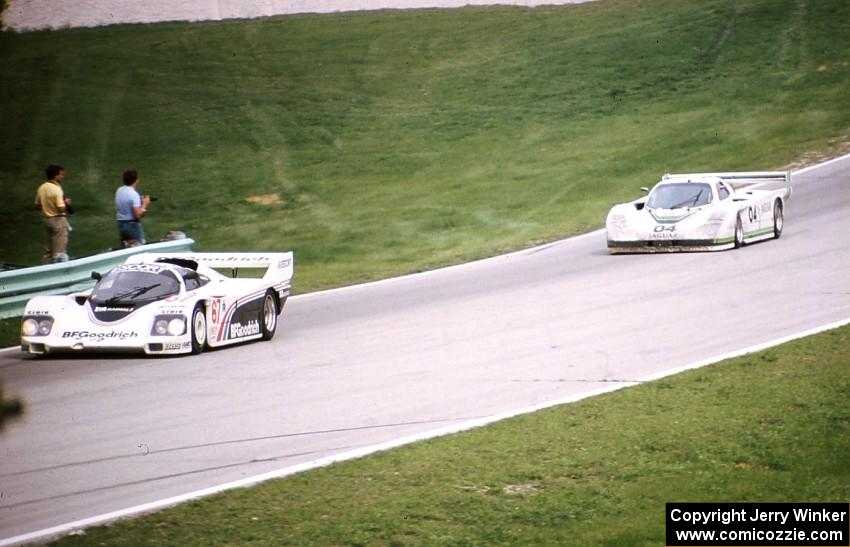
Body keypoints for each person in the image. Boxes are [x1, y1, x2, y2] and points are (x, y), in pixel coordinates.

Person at [34, 164, 72, 263]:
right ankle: (58, 270)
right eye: (61, 175)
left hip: (47, 220)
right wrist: (65, 203)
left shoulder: (42, 187)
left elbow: (37, 206)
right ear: (55, 176)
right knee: (59, 251)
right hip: (58, 221)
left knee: (48, 251)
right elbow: (61, 208)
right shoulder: (57, 189)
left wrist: (48, 206)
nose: (63, 177)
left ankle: (45, 268)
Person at [115, 169, 151, 247]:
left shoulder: (119, 190)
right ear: (136, 180)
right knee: (138, 247)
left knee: (125, 248)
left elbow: (127, 201)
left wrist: (139, 199)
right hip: (132, 226)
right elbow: (138, 215)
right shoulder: (133, 194)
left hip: (121, 224)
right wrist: (145, 204)